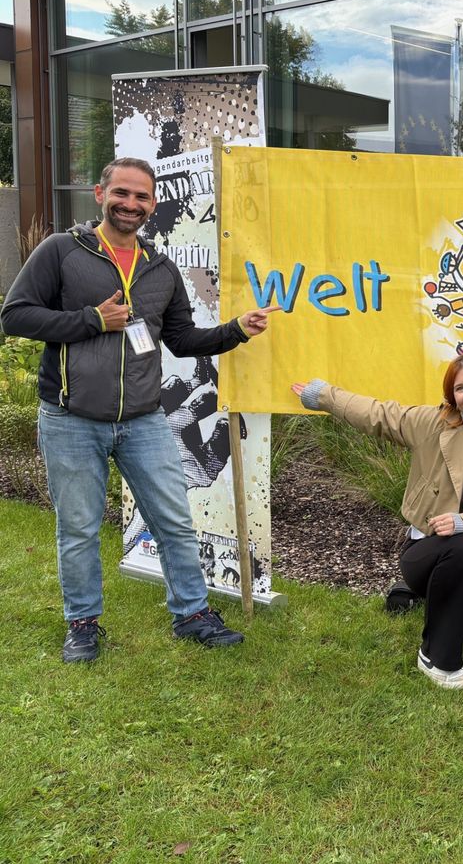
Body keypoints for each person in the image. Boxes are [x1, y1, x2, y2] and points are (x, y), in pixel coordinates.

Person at [0, 157, 278, 663]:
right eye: (122, 193)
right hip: (71, 419)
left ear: (153, 204)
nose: (131, 204)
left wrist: (236, 328)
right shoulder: (62, 251)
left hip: (144, 420)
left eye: (142, 197)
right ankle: (82, 625)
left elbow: (181, 338)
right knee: (80, 526)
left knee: (173, 519)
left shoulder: (159, 268)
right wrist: (91, 319)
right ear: (99, 193)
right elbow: (14, 316)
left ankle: (192, 614)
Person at [294, 350, 463, 689]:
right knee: (461, 546)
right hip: (429, 549)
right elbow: (377, 414)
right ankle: (438, 657)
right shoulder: (434, 424)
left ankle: (446, 604)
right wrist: (322, 396)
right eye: (460, 388)